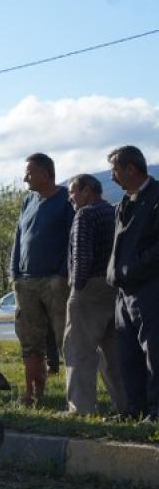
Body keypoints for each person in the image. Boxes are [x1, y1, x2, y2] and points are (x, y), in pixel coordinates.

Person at [10, 153, 75, 406]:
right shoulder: (28, 201)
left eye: (30, 172)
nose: (25, 177)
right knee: (29, 340)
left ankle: (76, 396)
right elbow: (19, 237)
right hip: (25, 282)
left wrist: (62, 274)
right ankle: (32, 393)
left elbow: (73, 239)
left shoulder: (65, 200)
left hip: (54, 282)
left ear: (47, 174)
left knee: (64, 340)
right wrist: (14, 273)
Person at [62, 174, 125, 415]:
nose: (70, 198)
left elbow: (82, 256)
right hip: (114, 287)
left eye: (72, 192)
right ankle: (125, 406)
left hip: (88, 287)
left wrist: (76, 288)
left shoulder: (85, 214)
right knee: (113, 353)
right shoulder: (113, 211)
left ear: (87, 190)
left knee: (79, 350)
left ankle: (81, 409)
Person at [106, 145, 159, 419]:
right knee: (127, 352)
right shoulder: (124, 202)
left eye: (115, 170)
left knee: (154, 350)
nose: (112, 177)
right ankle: (133, 409)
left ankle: (156, 411)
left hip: (150, 287)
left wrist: (134, 268)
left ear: (131, 168)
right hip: (123, 291)